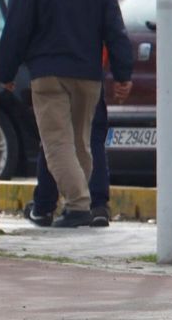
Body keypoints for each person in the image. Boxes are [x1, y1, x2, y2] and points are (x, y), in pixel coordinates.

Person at [0, 0, 133, 228]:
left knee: (57, 143)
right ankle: (82, 202)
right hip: (88, 75)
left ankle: (77, 206)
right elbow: (115, 29)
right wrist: (123, 73)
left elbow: (17, 29)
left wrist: (5, 72)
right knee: (82, 143)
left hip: (48, 74)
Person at [25, 96, 111, 227]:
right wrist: (121, 77)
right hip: (90, 79)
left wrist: (7, 76)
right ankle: (97, 206)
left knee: (54, 138)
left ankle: (45, 206)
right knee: (91, 137)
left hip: (51, 78)